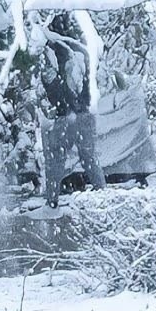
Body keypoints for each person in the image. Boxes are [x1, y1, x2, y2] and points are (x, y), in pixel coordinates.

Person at [40, 14, 107, 207]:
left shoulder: (51, 51)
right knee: (89, 157)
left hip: (66, 115)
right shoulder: (81, 48)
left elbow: (53, 85)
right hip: (84, 112)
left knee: (55, 160)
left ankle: (51, 202)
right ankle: (103, 196)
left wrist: (62, 104)